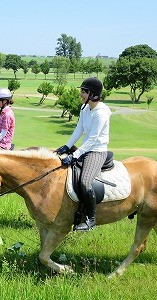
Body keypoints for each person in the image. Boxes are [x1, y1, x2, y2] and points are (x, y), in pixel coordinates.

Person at [56, 77, 111, 232]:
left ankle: (91, 219)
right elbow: (79, 129)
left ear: (92, 94)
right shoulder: (85, 109)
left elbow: (93, 139)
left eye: (83, 92)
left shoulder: (101, 113)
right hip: (85, 148)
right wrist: (66, 146)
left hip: (97, 151)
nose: (81, 95)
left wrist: (74, 155)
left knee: (85, 183)